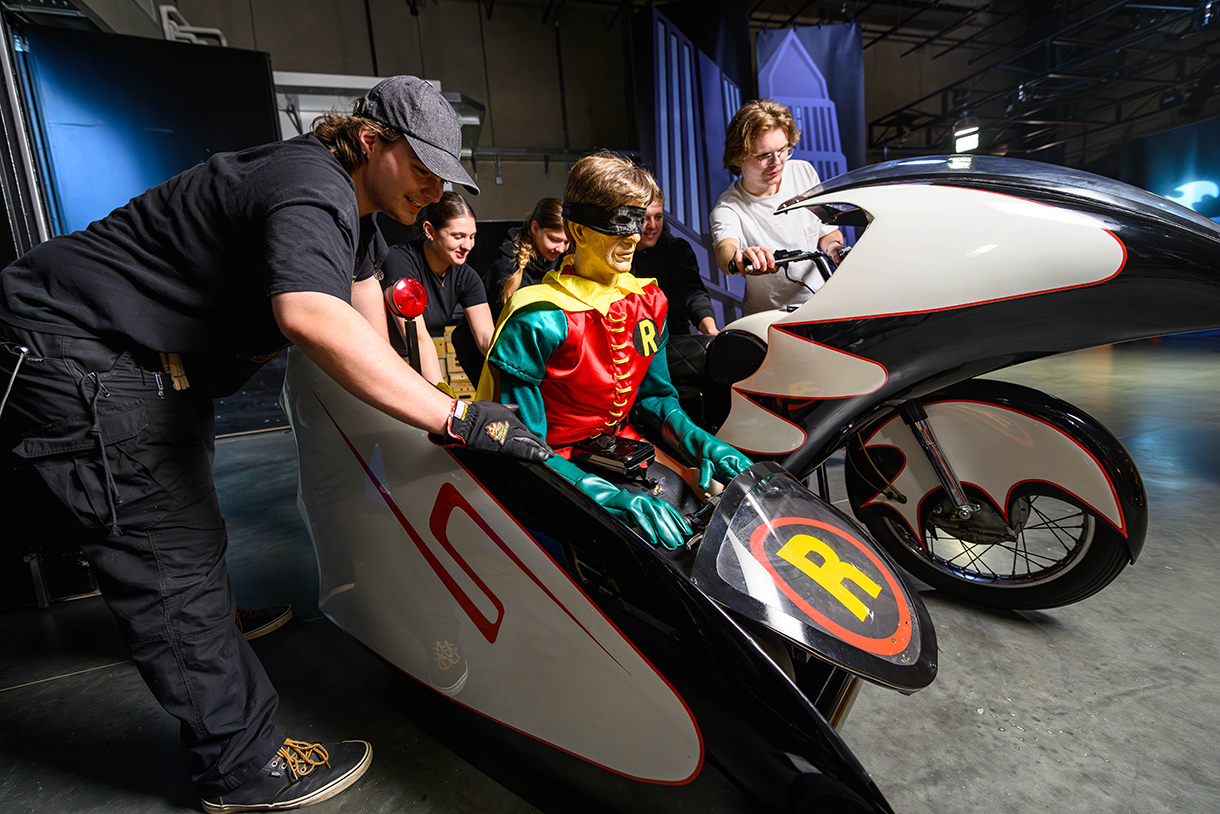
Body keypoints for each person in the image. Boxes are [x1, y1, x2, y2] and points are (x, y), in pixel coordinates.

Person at [0, 75, 549, 813]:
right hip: (80, 347)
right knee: (168, 552)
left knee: (175, 517)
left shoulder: (358, 218)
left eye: (443, 177)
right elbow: (311, 320)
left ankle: (199, 622)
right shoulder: (310, 185)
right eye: (420, 167)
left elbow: (365, 331)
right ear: (367, 140)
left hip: (143, 355)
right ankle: (242, 767)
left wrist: (430, 414)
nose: (431, 189)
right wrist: (455, 419)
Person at [475, 152, 751, 550]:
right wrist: (606, 497)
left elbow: (656, 396)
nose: (636, 237)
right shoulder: (538, 319)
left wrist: (701, 442)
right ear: (579, 230)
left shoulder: (648, 301)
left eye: (638, 221)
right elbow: (522, 441)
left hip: (626, 449)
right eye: (621, 222)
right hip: (555, 469)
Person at [710, 98, 847, 315]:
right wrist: (741, 259)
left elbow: (827, 232)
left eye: (783, 150)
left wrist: (834, 249)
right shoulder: (729, 207)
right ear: (739, 156)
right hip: (768, 320)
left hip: (820, 307)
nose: (777, 162)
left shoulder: (804, 172)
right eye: (764, 155)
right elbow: (725, 254)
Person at [380, 191, 492, 383]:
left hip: (412, 360)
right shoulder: (399, 261)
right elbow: (417, 338)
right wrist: (444, 399)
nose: (468, 245)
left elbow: (486, 339)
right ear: (430, 231)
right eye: (458, 236)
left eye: (472, 236)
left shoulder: (466, 276)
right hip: (379, 358)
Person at [452, 197, 567, 381]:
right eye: (554, 239)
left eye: (566, 242)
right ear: (535, 228)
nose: (561, 248)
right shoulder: (506, 268)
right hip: (480, 346)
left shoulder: (552, 255)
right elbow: (514, 330)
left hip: (516, 345)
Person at [631, 193, 718, 337]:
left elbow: (692, 291)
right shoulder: (617, 250)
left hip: (672, 339)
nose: (652, 225)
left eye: (658, 217)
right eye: (644, 218)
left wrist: (711, 331)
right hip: (626, 342)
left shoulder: (676, 249)